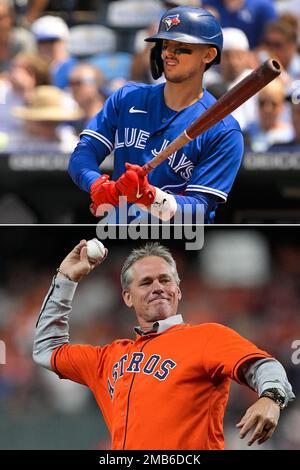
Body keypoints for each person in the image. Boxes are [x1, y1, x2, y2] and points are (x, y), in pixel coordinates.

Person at [33, 241, 295, 450]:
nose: (157, 287)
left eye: (165, 280)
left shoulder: (207, 337)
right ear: (127, 297)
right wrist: (66, 279)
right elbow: (46, 349)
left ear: (178, 291)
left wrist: (271, 397)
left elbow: (264, 365)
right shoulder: (107, 358)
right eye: (146, 282)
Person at [68, 6, 244, 224]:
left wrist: (150, 197)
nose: (168, 53)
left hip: (179, 241)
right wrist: (97, 184)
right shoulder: (127, 97)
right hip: (119, 231)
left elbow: (199, 208)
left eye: (181, 47)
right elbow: (83, 154)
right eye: (165, 45)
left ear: (208, 55)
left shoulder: (223, 129)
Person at [202, 0, 278, 49]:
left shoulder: (263, 6)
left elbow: (272, 42)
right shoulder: (209, 3)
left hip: (253, 60)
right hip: (218, 59)